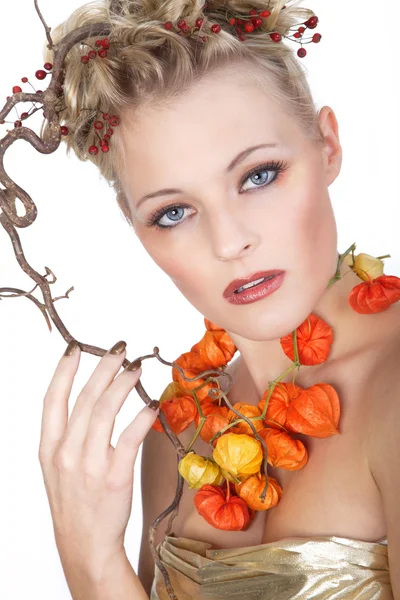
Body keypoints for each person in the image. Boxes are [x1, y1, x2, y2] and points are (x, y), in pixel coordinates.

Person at [38, 0, 400, 599]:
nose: (230, 242)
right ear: (136, 228)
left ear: (328, 145)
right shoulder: (173, 440)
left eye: (258, 175)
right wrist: (92, 562)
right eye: (173, 212)